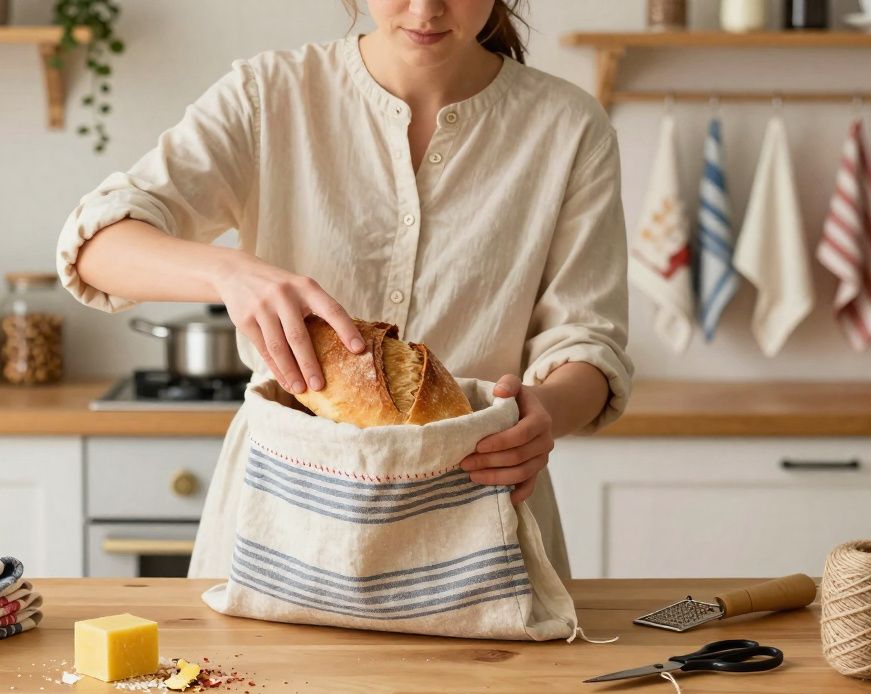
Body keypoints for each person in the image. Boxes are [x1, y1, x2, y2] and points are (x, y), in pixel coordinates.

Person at [56, 0, 632, 578]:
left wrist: (546, 412)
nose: (426, 8)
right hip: (280, 516)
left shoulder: (570, 127)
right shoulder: (269, 94)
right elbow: (97, 245)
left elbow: (587, 342)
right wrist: (230, 272)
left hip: (478, 515)